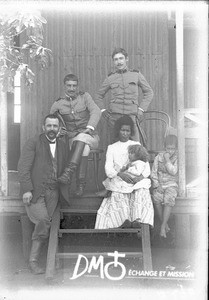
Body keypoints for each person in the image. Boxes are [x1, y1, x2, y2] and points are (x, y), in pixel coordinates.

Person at [18, 114, 69, 274]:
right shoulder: (33, 142)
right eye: (49, 126)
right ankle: (33, 261)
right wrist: (27, 189)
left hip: (54, 191)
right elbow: (23, 167)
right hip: (36, 191)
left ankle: (52, 259)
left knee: (52, 223)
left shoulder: (62, 145)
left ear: (59, 129)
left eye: (55, 126)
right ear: (43, 127)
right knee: (43, 221)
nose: (52, 129)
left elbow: (65, 167)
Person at [95, 115, 154, 229]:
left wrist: (139, 178)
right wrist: (120, 174)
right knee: (118, 191)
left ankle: (139, 219)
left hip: (135, 178)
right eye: (123, 130)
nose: (125, 133)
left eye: (128, 130)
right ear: (118, 130)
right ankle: (122, 221)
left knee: (141, 189)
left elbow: (145, 166)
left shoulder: (136, 145)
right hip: (120, 177)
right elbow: (109, 169)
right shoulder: (112, 147)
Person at [50, 74, 101, 196]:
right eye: (69, 86)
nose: (71, 89)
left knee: (83, 138)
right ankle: (80, 185)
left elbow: (96, 111)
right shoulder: (58, 103)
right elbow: (50, 120)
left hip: (91, 137)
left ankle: (69, 174)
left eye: (74, 86)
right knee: (84, 147)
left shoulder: (85, 97)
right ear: (64, 86)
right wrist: (58, 131)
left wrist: (89, 128)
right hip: (72, 140)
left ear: (77, 86)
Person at [95, 47, 154, 144]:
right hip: (114, 118)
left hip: (131, 116)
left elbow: (149, 92)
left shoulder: (136, 75)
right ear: (113, 62)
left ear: (126, 59)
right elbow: (98, 95)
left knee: (135, 146)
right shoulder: (110, 78)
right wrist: (103, 110)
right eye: (116, 59)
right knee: (115, 147)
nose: (119, 62)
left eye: (121, 58)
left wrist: (141, 110)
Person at [151, 134, 178, 238]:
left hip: (172, 185)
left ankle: (162, 227)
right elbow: (153, 172)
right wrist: (157, 185)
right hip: (160, 185)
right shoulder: (158, 157)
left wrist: (167, 160)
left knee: (168, 199)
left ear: (176, 148)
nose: (170, 151)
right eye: (168, 148)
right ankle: (165, 223)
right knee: (156, 198)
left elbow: (173, 171)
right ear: (164, 147)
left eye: (172, 148)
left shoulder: (177, 158)